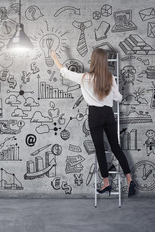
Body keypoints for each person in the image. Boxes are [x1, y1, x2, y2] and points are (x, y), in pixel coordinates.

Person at [51, 48, 136, 197]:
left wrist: (55, 58)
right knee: (116, 147)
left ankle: (106, 183)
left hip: (95, 115)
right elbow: (118, 98)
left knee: (99, 149)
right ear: (104, 62)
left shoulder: (85, 77)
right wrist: (115, 94)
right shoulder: (110, 78)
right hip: (108, 114)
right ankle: (129, 180)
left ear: (93, 61)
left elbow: (65, 72)